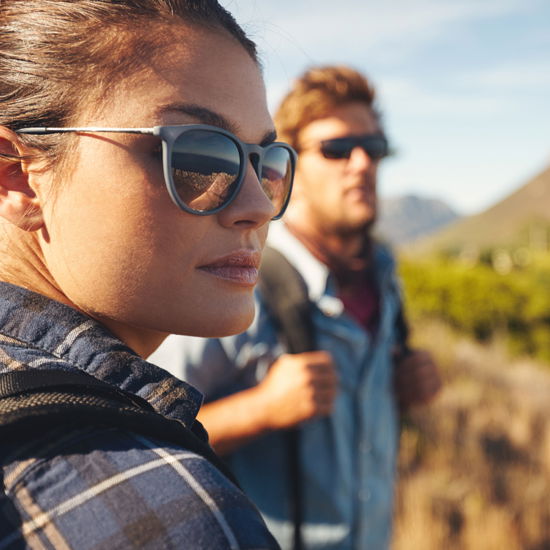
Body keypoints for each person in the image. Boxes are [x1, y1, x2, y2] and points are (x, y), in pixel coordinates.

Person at [0, 1, 298, 548]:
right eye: (201, 157)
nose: (256, 204)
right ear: (17, 176)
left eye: (264, 161)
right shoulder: (174, 512)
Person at [150, 65, 442, 550]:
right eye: (336, 149)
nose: (362, 165)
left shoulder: (385, 276)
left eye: (373, 149)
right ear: (288, 169)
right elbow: (146, 430)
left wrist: (407, 387)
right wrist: (261, 410)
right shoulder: (241, 279)